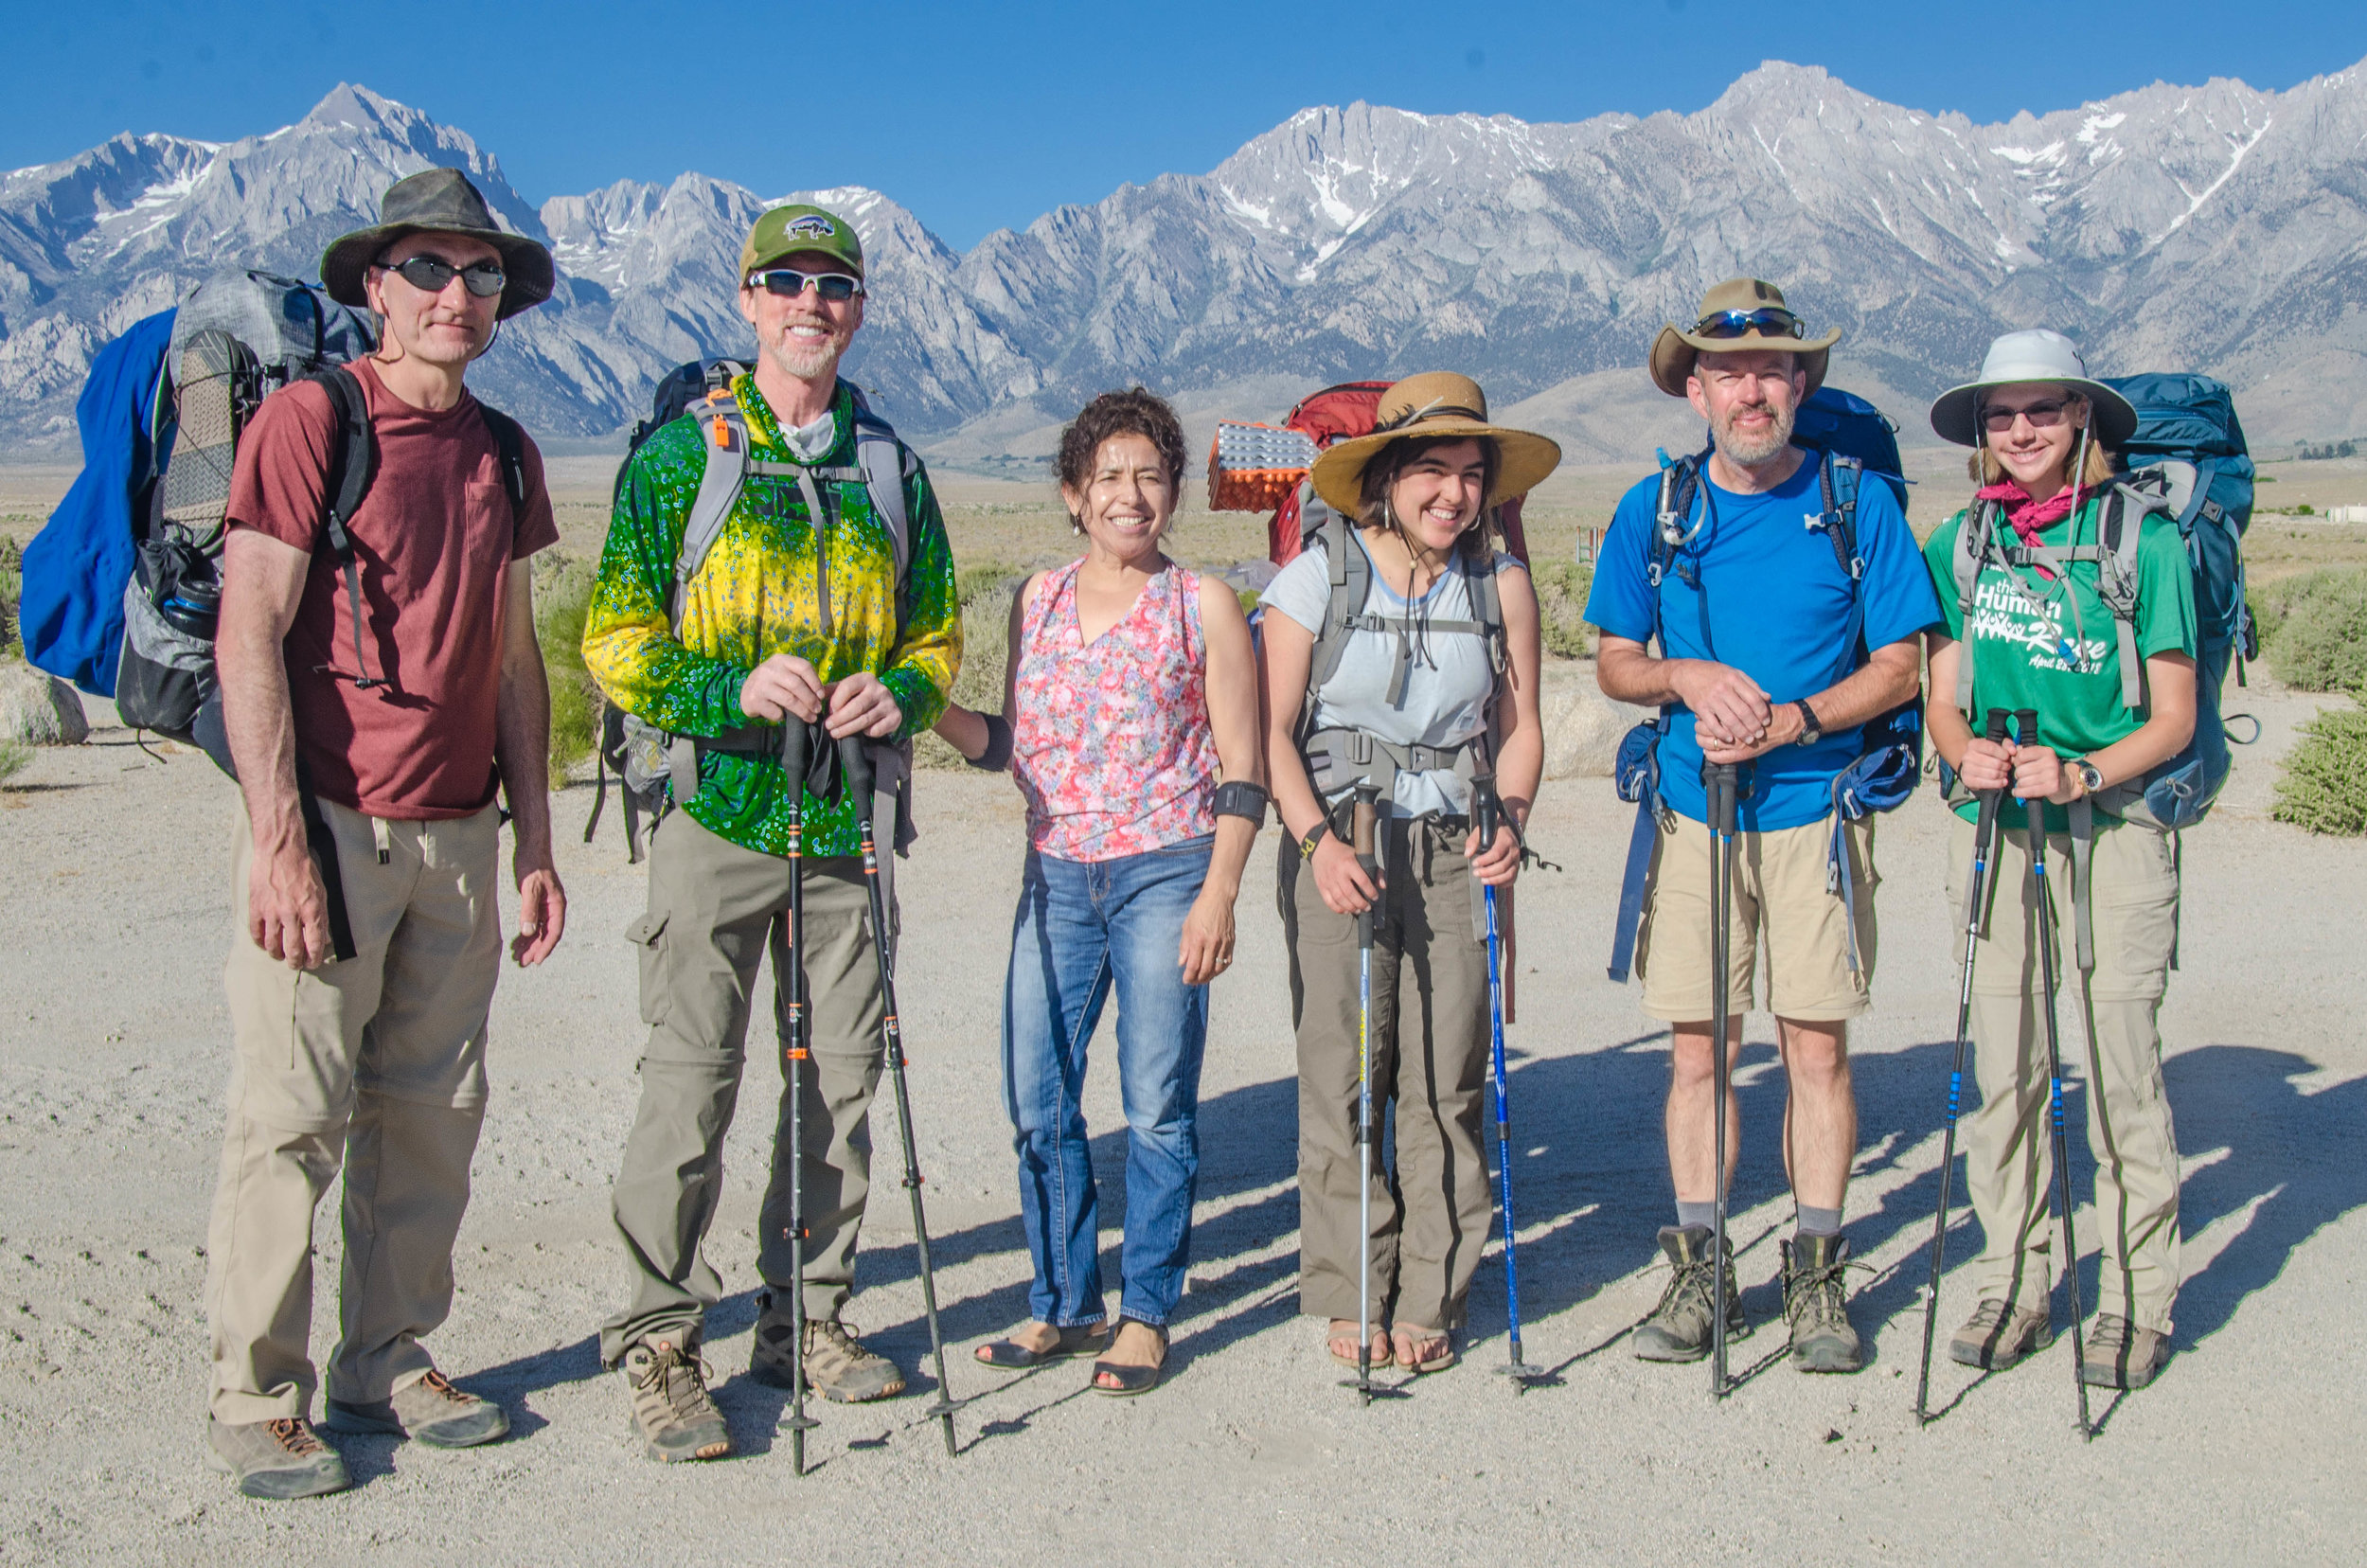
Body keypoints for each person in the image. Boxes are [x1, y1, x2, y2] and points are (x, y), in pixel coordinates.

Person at [204, 168, 567, 1499]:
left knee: (428, 1115)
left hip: (461, 835)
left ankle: (386, 1360)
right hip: (331, 825)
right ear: (374, 287)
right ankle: (254, 1393)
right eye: (427, 268)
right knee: (292, 1112)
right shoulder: (313, 422)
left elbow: (515, 658)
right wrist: (276, 839)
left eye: (479, 275)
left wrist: (536, 840)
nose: (455, 295)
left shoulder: (507, 451)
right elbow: (251, 628)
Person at [584, 203, 960, 1462]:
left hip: (847, 820)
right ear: (747, 298)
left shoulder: (895, 472)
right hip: (716, 814)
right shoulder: (682, 462)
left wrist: (895, 695)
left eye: (835, 286)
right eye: (787, 282)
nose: (812, 304)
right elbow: (616, 638)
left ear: (858, 310)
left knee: (841, 1081)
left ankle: (806, 1321)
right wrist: (723, 690)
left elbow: (937, 638)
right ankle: (655, 1338)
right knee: (690, 1086)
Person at [1584, 277, 1938, 1374]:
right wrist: (1683, 676)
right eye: (1729, 372)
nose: (1753, 390)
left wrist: (1797, 718)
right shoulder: (1657, 510)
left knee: (1814, 1049)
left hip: (1812, 814)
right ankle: (1700, 1271)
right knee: (1699, 1053)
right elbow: (1613, 662)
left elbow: (1902, 661)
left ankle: (1816, 1272)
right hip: (1694, 817)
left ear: (1800, 384)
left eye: (1774, 370)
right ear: (1695, 388)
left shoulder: (1854, 501)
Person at [935, 389, 1261, 1397]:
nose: (1130, 495)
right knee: (1039, 1098)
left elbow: (1244, 769)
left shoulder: (1201, 603)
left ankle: (1147, 1310)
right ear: (1074, 495)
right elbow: (1004, 744)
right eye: (1109, 478)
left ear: (1174, 495)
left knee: (1157, 1104)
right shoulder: (1033, 600)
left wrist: (1219, 896)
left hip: (1168, 868)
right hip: (1056, 877)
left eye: (1150, 476)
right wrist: (920, 713)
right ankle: (1062, 1303)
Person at [1257, 371, 1550, 1377]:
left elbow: (1519, 730)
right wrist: (1314, 844)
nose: (1454, 495)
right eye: (1432, 471)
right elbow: (1270, 731)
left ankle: (1430, 1288)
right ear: (1385, 476)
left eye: (1472, 475)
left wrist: (1510, 820)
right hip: (1340, 835)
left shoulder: (1501, 583)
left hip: (1457, 843)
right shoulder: (1315, 579)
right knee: (1343, 1071)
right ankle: (1351, 1285)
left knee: (1445, 1074)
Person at [1921, 330, 2196, 1391]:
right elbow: (1941, 697)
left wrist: (2081, 775)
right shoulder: (1963, 542)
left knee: (2121, 1062)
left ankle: (2136, 1296)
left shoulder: (2143, 542)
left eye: (2041, 410)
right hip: (1995, 829)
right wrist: (1968, 755)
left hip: (2113, 828)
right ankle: (2014, 1278)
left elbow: (2171, 714)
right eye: (2000, 415)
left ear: (2083, 417)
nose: (2020, 431)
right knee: (2008, 1070)